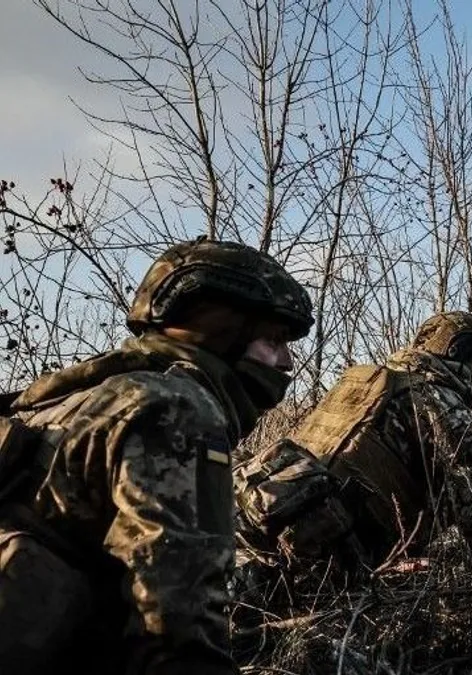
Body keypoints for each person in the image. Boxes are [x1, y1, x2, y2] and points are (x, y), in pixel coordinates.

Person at [0, 237, 313, 675]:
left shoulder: (66, 398)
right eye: (274, 339)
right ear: (222, 331)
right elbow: (177, 623)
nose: (285, 361)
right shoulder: (177, 410)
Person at [235, 311, 472, 578]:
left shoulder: (366, 380)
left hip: (260, 514)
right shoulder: (441, 403)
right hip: (324, 549)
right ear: (469, 360)